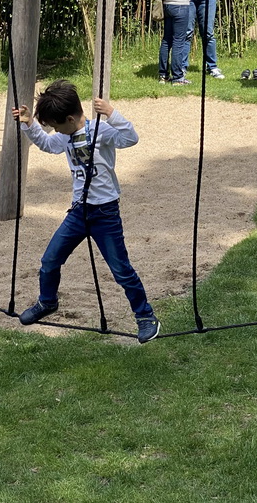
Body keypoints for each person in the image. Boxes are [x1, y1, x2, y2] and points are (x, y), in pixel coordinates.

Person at [12, 80, 160, 344]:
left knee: (121, 270)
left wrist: (112, 112)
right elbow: (47, 144)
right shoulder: (65, 136)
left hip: (105, 214)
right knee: (49, 261)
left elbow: (130, 138)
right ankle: (47, 302)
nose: (56, 131)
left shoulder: (101, 131)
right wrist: (29, 124)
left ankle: (146, 316)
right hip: (78, 213)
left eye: (57, 125)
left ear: (70, 118)